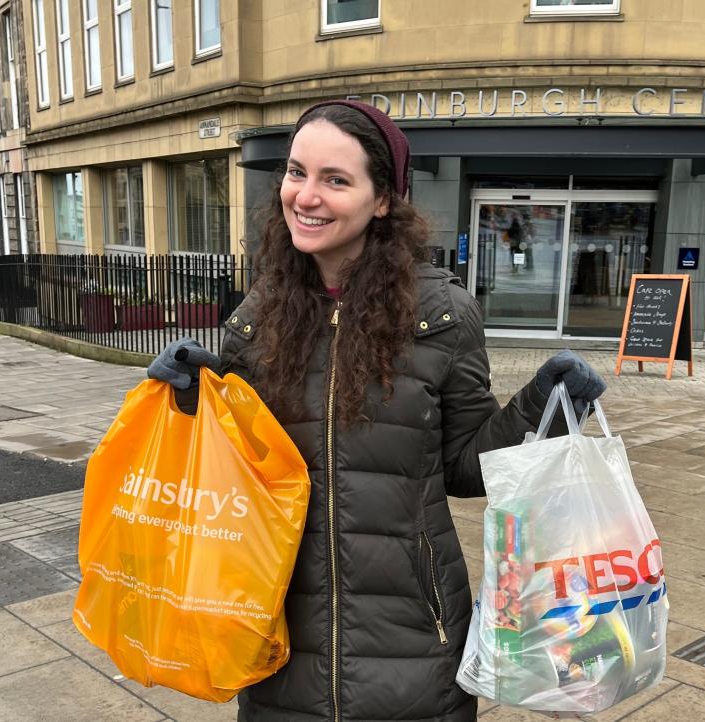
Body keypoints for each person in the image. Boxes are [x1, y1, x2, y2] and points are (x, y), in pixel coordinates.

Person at [148, 100, 606, 722]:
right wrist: (187, 401)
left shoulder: (440, 316)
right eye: (296, 172)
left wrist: (542, 410)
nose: (306, 196)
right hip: (281, 641)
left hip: (416, 640)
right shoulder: (258, 321)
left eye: (336, 180)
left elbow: (467, 470)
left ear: (383, 199)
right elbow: (232, 478)